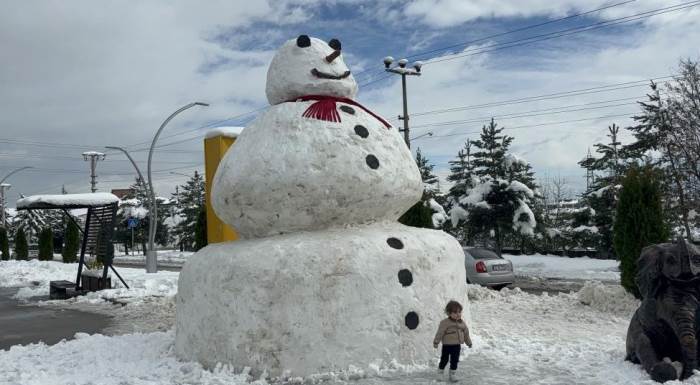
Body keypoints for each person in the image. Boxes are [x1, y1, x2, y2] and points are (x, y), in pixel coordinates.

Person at [433, 300, 472, 382]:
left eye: (459, 312)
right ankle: (440, 372)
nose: (458, 314)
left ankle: (452, 374)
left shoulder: (462, 323)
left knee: (455, 360)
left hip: (457, 345)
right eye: (455, 312)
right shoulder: (445, 323)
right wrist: (436, 342)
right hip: (447, 345)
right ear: (449, 313)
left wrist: (468, 342)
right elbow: (440, 333)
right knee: (444, 359)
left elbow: (466, 333)